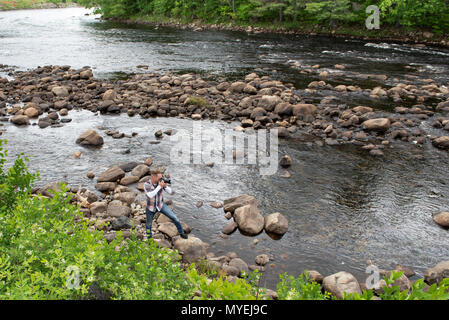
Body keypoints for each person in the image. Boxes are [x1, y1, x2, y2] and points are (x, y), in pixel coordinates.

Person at [143, 169, 188, 240]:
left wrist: (165, 186)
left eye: (162, 177)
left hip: (161, 205)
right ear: (154, 177)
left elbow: (171, 192)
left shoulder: (160, 183)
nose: (161, 179)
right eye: (160, 178)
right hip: (150, 207)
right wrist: (159, 187)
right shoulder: (146, 184)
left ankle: (181, 233)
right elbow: (150, 195)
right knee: (148, 225)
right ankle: (149, 239)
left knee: (175, 218)